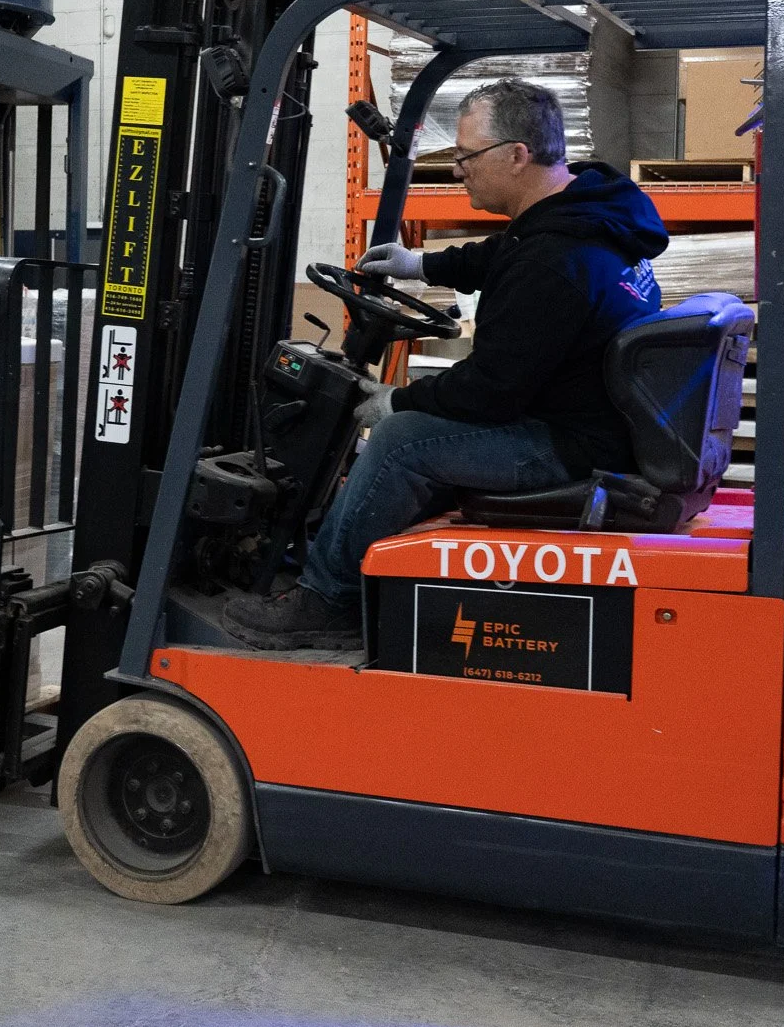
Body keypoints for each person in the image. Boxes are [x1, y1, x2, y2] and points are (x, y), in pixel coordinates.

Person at [221, 77, 668, 650]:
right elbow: (506, 256)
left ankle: (328, 602)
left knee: (401, 439)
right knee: (415, 428)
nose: (458, 170)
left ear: (516, 155)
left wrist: (395, 401)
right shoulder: (584, 213)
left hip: (565, 443)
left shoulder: (558, 261)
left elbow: (492, 389)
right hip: (585, 420)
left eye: (465, 157)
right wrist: (422, 266)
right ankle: (380, 571)